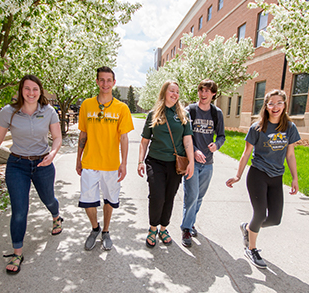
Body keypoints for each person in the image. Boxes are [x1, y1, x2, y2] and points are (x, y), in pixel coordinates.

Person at [0, 75, 63, 275]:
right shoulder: (8, 112)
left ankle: (56, 216)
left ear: (40, 91)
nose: (31, 93)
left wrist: (52, 154)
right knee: (19, 210)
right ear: (21, 91)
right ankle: (17, 252)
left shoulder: (48, 111)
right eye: (27, 89)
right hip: (17, 164)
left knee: (48, 199)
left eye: (35, 89)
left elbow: (57, 137)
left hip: (43, 163)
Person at [226, 89, 300, 269]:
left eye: (279, 103)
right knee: (259, 213)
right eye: (271, 103)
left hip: (277, 177)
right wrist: (237, 175)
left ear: (284, 105)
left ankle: (249, 228)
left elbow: (290, 155)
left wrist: (295, 178)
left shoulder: (289, 127)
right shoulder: (257, 127)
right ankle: (251, 248)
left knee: (275, 219)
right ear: (266, 106)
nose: (275, 107)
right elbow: (246, 153)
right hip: (258, 175)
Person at [76, 66, 134, 251]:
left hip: (110, 164)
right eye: (102, 80)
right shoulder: (86, 105)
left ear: (114, 83)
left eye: (109, 80)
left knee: (109, 200)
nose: (105, 84)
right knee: (87, 201)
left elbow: (124, 137)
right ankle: (95, 228)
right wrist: (78, 159)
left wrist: (124, 163)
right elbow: (82, 133)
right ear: (97, 81)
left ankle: (106, 231)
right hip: (90, 161)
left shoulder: (121, 108)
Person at [137, 80, 194, 248]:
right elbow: (144, 141)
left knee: (169, 197)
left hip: (175, 165)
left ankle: (164, 228)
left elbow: (188, 141)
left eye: (177, 91)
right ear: (164, 93)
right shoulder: (153, 114)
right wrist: (140, 161)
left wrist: (190, 162)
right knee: (157, 196)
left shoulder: (184, 115)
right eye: (171, 91)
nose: (175, 94)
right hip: (155, 162)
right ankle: (153, 228)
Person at [180, 79, 225, 247]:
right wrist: (195, 150)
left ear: (213, 94)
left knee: (199, 197)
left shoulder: (216, 113)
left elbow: (221, 135)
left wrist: (217, 145)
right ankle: (186, 228)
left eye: (207, 91)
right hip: (192, 161)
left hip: (208, 163)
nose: (203, 94)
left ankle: (190, 222)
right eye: (201, 90)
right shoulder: (190, 111)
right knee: (191, 195)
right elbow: (185, 135)